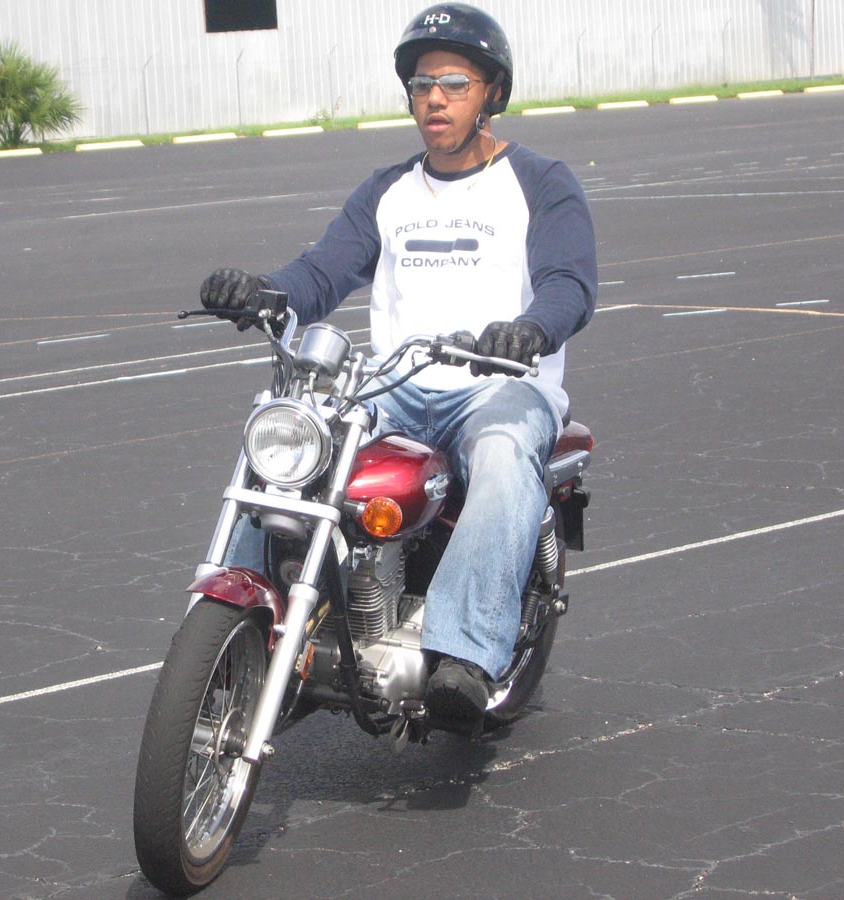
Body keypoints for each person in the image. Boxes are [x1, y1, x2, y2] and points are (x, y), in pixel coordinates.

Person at [199, 3, 596, 731]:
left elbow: (569, 281)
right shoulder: (388, 190)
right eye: (421, 85)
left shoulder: (541, 182)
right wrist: (262, 293)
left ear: (492, 93)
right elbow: (322, 271)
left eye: (454, 83)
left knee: (504, 453)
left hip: (500, 386)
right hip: (396, 385)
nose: (435, 99)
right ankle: (241, 621)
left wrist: (532, 329)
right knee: (289, 439)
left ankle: (464, 654)